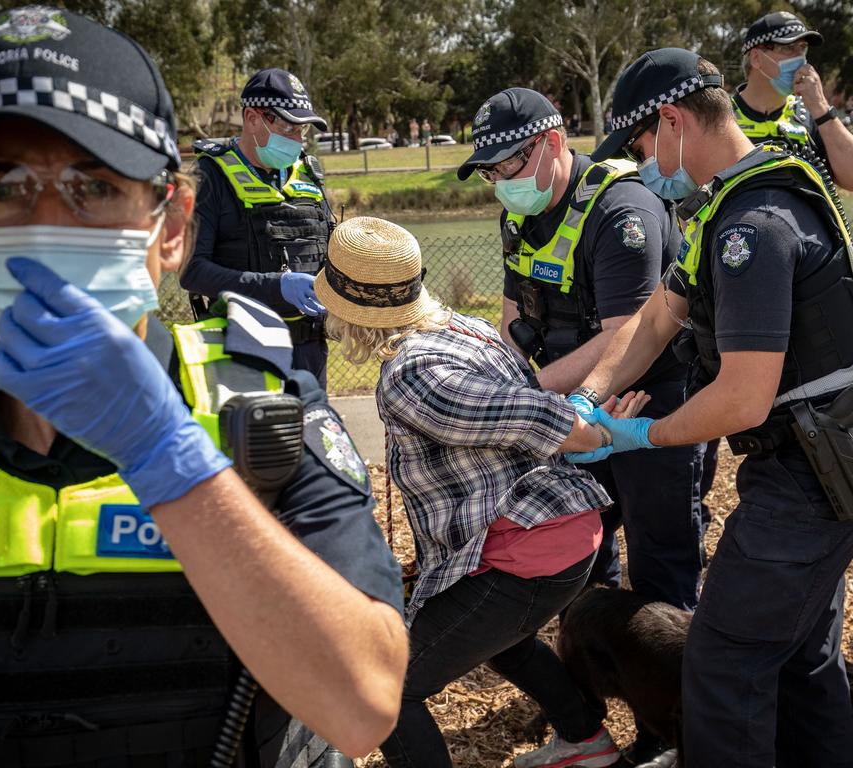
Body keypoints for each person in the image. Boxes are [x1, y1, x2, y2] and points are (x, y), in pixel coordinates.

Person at [0, 8, 408, 767]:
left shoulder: (265, 411)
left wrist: (160, 446)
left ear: (170, 226)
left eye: (93, 186)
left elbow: (361, 704)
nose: (43, 222)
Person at [573, 48, 853, 767]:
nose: (642, 163)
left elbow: (742, 395)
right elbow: (654, 320)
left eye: (640, 145)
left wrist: (644, 433)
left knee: (722, 664)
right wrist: (588, 399)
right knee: (800, 659)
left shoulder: (750, 226)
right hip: (816, 468)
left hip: (805, 481)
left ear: (670, 121)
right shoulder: (730, 203)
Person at [316, 215, 658, 768]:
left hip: (524, 553)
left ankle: (585, 743)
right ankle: (586, 743)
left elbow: (521, 411)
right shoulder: (464, 329)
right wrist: (582, 433)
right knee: (500, 639)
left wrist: (592, 432)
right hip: (557, 538)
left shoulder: (410, 372)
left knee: (386, 687)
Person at [456, 91, 704, 755]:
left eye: (507, 165)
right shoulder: (522, 212)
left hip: (647, 409)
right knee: (576, 557)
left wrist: (530, 396)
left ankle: (674, 728)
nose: (500, 183)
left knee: (662, 570)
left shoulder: (622, 208)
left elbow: (626, 336)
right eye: (488, 172)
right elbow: (515, 311)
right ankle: (582, 712)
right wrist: (506, 381)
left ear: (553, 143)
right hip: (573, 407)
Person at [181, 68, 333, 388]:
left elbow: (331, 245)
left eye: (302, 130)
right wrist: (276, 287)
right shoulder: (210, 177)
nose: (297, 140)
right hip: (243, 354)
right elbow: (192, 272)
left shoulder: (308, 173)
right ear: (252, 118)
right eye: (288, 127)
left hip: (310, 355)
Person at [733, 11, 853, 190]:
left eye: (802, 48)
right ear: (756, 58)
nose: (800, 59)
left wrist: (821, 108)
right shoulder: (721, 116)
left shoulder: (811, 115)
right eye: (788, 48)